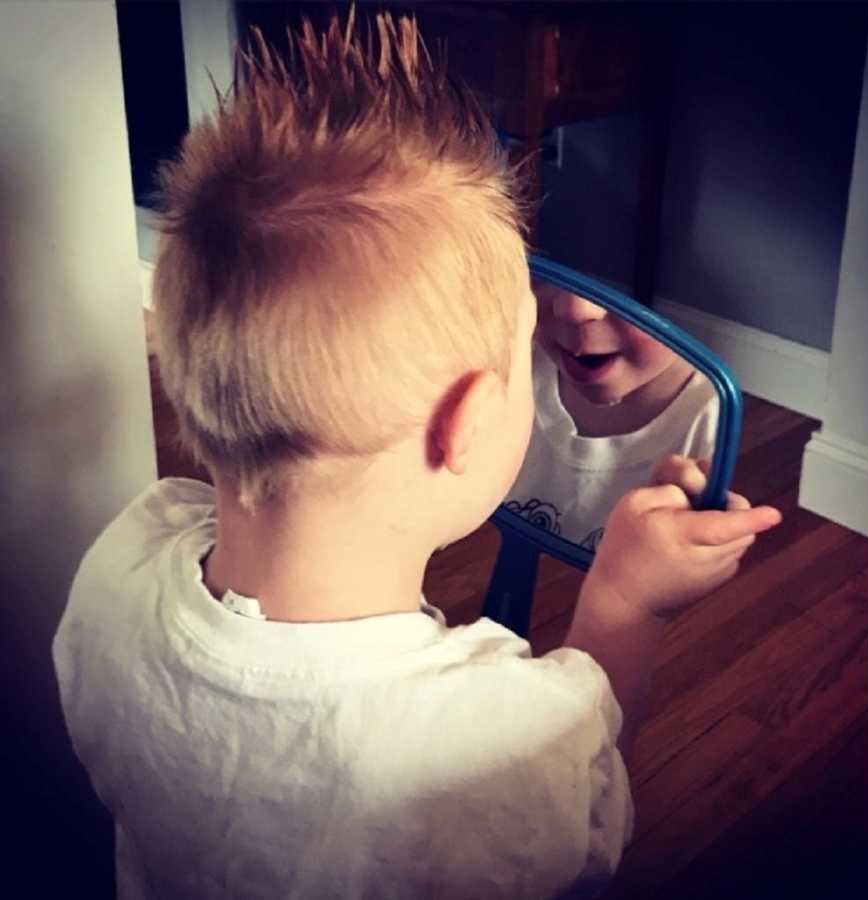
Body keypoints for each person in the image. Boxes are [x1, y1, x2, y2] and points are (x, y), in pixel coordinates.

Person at [52, 12, 780, 900]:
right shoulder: (482, 746)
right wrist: (625, 605)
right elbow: (591, 821)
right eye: (525, 355)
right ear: (466, 422)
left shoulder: (120, 557)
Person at [505, 280, 719, 550]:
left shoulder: (715, 432)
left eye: (618, 277)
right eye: (551, 256)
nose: (574, 309)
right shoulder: (512, 364)